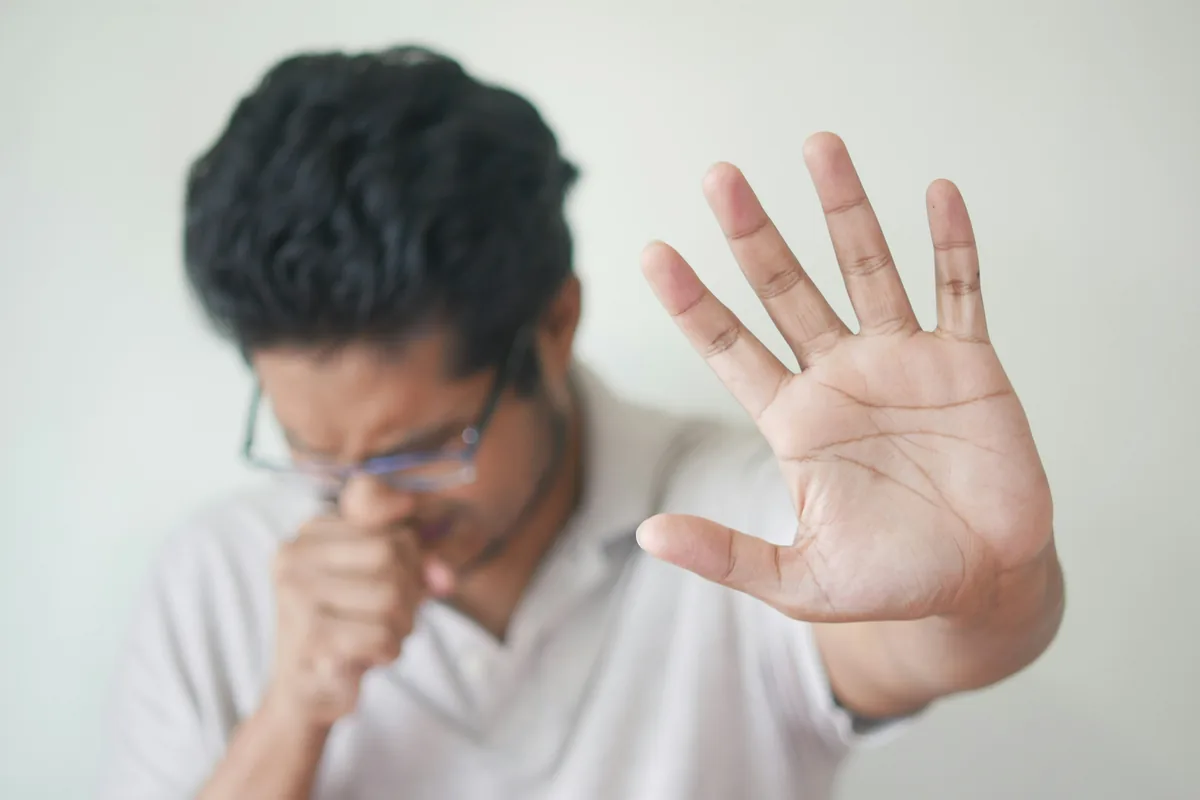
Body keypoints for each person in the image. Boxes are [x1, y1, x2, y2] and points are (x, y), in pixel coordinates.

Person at [100, 45, 1064, 800]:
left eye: (424, 450)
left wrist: (984, 587)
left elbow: (923, 643)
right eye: (312, 454)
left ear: (554, 326)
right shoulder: (213, 577)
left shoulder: (743, 511)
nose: (366, 507)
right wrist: (291, 715)